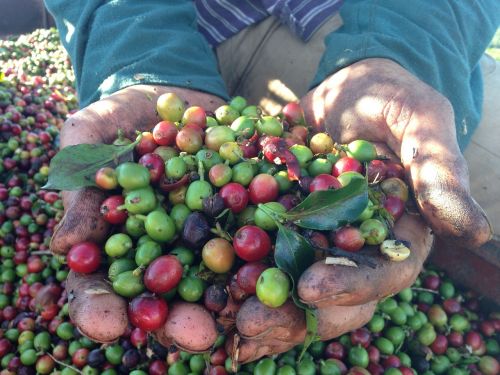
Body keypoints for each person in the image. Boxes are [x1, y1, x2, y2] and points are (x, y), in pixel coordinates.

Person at [44, 0, 498, 363]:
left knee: (466, 184)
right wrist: (138, 57)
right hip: (170, 24)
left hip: (369, 24)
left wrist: (405, 53)